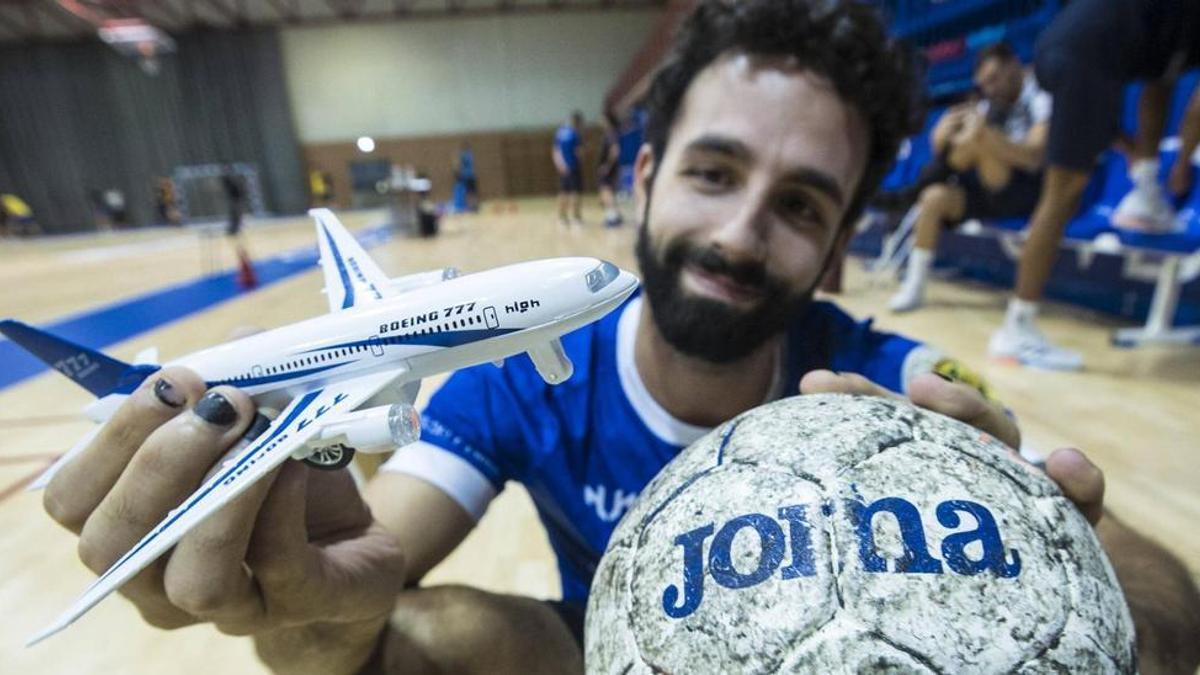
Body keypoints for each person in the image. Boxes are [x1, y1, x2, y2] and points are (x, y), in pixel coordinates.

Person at [40, 2, 1200, 674]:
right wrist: (316, 612)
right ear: (642, 181)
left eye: (801, 204)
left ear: (841, 246)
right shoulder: (514, 386)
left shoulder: (884, 386)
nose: (742, 233)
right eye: (713, 172)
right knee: (426, 633)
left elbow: (1170, 596)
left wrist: (1060, 550)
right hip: (615, 650)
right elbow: (376, 569)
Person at [990, 0, 1200, 369]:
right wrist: (1179, 163)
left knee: (1064, 190)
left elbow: (1157, 86)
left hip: (1065, 45)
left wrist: (1142, 165)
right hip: (1087, 56)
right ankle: (1017, 329)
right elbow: (1185, 100)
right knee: (1062, 195)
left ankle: (1146, 195)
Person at [890, 42, 1050, 313]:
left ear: (1014, 64)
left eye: (995, 79)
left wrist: (985, 136)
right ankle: (914, 286)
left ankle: (911, 191)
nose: (990, 89)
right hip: (988, 185)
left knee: (977, 138)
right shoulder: (991, 102)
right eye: (985, 83)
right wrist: (940, 137)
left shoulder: (1042, 94)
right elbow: (963, 150)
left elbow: (1035, 157)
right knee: (933, 198)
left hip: (1028, 189)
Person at [553, 110, 585, 226]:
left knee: (563, 192)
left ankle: (561, 218)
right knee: (576, 192)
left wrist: (560, 165)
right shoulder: (575, 134)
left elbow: (556, 152)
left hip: (562, 168)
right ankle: (576, 218)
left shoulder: (560, 133)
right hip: (574, 166)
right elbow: (578, 152)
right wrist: (581, 161)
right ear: (577, 122)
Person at [597, 111, 624, 227]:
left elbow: (615, 151)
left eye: (602, 119)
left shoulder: (611, 134)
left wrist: (607, 166)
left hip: (608, 168)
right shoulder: (611, 133)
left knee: (606, 192)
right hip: (611, 168)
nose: (600, 122)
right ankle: (616, 215)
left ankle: (612, 217)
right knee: (609, 192)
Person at [455, 142, 479, 212]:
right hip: (470, 176)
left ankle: (472, 206)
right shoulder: (470, 155)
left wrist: (457, 156)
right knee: (472, 192)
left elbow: (458, 164)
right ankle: (473, 206)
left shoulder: (464, 155)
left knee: (469, 193)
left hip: (468, 177)